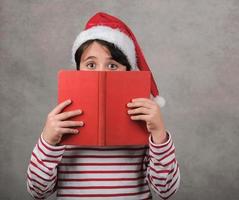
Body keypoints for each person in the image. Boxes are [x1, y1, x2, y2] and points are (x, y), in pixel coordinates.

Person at [26, 12, 180, 199]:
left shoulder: (144, 122)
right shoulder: (62, 124)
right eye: (91, 65)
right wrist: (48, 141)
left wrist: (159, 135)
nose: (101, 73)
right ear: (78, 70)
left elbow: (167, 191)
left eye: (113, 66)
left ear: (128, 72)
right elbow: (37, 191)